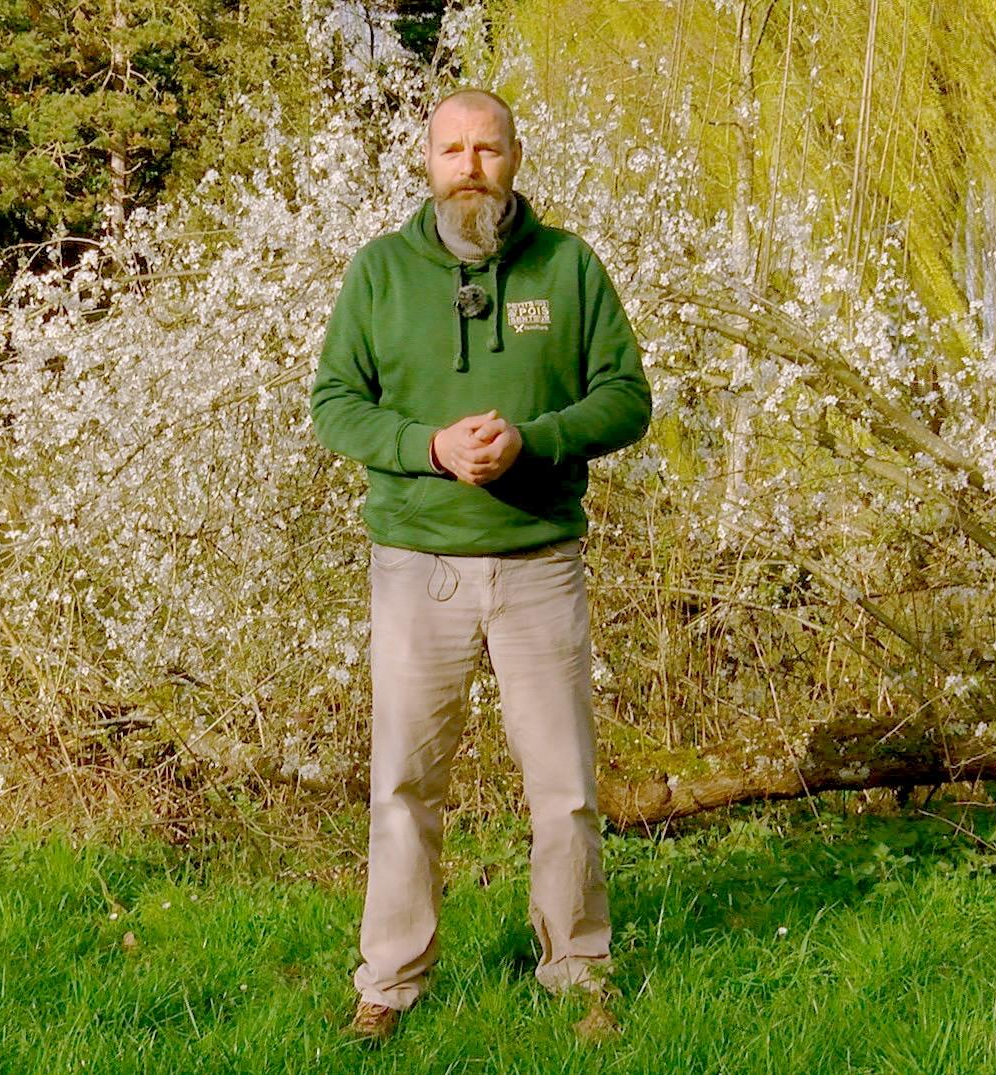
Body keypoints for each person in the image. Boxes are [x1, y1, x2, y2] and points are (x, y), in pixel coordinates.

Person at [309, 86, 652, 1044]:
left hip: (540, 562)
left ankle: (578, 969)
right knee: (405, 786)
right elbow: (334, 401)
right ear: (429, 161)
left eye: (487, 147)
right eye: (452, 148)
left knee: (565, 786)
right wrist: (427, 446)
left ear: (513, 156)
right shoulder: (380, 273)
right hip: (418, 565)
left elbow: (628, 397)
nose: (471, 164)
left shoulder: (569, 266)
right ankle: (390, 980)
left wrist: (536, 440)